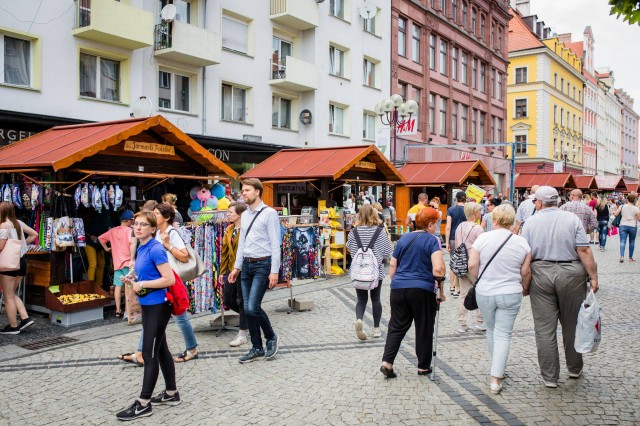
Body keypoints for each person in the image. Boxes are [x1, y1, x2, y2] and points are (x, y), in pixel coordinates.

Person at [521, 186, 599, 388]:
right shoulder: (571, 219)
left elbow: (525, 256)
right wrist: (593, 277)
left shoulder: (530, 222)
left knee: (544, 328)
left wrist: (524, 282)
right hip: (571, 274)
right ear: (557, 201)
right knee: (572, 324)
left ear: (539, 202)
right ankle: (574, 368)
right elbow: (583, 249)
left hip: (540, 273)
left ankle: (550, 377)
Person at [116, 211, 179, 421]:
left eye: (144, 225)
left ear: (153, 229)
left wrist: (142, 284)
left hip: (158, 306)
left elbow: (168, 279)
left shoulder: (156, 249)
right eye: (136, 224)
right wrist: (133, 276)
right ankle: (172, 393)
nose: (138, 227)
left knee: (149, 355)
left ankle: (144, 403)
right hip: (149, 305)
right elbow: (147, 272)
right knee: (161, 350)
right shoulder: (143, 247)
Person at [468, 204, 531, 394]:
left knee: (491, 330)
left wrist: (477, 281)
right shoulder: (522, 243)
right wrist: (525, 287)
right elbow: (525, 271)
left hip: (486, 291)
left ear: (494, 220)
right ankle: (496, 376)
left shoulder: (483, 239)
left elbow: (472, 265)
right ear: (512, 221)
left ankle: (497, 367)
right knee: (503, 333)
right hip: (511, 291)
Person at [380, 208, 446, 378]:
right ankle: (423, 366)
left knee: (396, 326)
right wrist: (442, 290)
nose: (436, 226)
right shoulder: (433, 240)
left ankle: (387, 362)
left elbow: (393, 265)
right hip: (422, 289)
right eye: (436, 223)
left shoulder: (403, 239)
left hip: (398, 288)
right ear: (430, 224)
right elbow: (438, 269)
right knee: (424, 326)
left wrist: (395, 283)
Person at [228, 178, 281, 363]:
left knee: (253, 307)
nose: (243, 193)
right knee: (246, 309)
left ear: (257, 191)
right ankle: (256, 347)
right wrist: (237, 267)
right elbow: (242, 243)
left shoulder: (270, 214)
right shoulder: (246, 215)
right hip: (247, 266)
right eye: (243, 190)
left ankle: (271, 337)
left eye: (247, 190)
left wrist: (274, 271)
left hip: (262, 265)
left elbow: (276, 244)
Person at [346, 205, 392, 341]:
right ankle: (377, 328)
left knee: (361, 300)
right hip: (376, 270)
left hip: (359, 271)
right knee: (376, 299)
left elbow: (350, 250)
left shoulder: (353, 232)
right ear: (374, 215)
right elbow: (387, 252)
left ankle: (359, 319)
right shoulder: (380, 231)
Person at [0, 202, 38, 334]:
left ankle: (13, 326)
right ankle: (25, 318)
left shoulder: (4, 226)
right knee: (12, 293)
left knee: (8, 296)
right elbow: (34, 234)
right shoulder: (18, 223)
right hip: (21, 261)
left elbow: (0, 247)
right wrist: (22, 244)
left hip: (9, 264)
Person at [220, 202, 249, 347]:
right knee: (228, 299)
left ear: (240, 214)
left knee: (243, 301)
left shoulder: (247, 229)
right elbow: (225, 252)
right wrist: (222, 271)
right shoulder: (229, 230)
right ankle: (250, 316)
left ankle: (242, 333)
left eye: (230, 212)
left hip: (244, 269)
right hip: (231, 270)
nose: (228, 214)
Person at [455, 202, 485, 333]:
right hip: (473, 264)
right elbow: (482, 248)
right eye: (479, 211)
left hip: (461, 264)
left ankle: (462, 323)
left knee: (463, 294)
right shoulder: (478, 229)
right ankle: (479, 321)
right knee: (480, 292)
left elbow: (457, 246)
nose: (480, 213)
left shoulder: (459, 226)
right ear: (475, 213)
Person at [98, 210, 134, 318]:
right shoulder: (129, 231)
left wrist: (106, 248)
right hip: (128, 263)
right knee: (129, 287)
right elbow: (131, 243)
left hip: (117, 263)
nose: (133, 223)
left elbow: (100, 238)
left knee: (118, 286)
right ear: (128, 221)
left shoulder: (113, 231)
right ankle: (128, 312)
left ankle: (118, 311)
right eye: (132, 220)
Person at [445, 191, 467, 296]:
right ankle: (461, 287)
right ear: (465, 199)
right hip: (465, 238)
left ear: (456, 199)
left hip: (453, 238)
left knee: (453, 262)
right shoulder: (468, 210)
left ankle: (452, 287)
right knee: (463, 261)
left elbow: (448, 226)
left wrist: (447, 241)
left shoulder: (451, 210)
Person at [612, 193, 640, 262]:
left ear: (627, 199)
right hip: (632, 226)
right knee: (632, 242)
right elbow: (639, 219)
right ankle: (630, 258)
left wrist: (613, 212)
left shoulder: (622, 206)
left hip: (623, 225)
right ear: (634, 200)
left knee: (622, 241)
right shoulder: (636, 209)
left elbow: (615, 214)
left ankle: (622, 256)